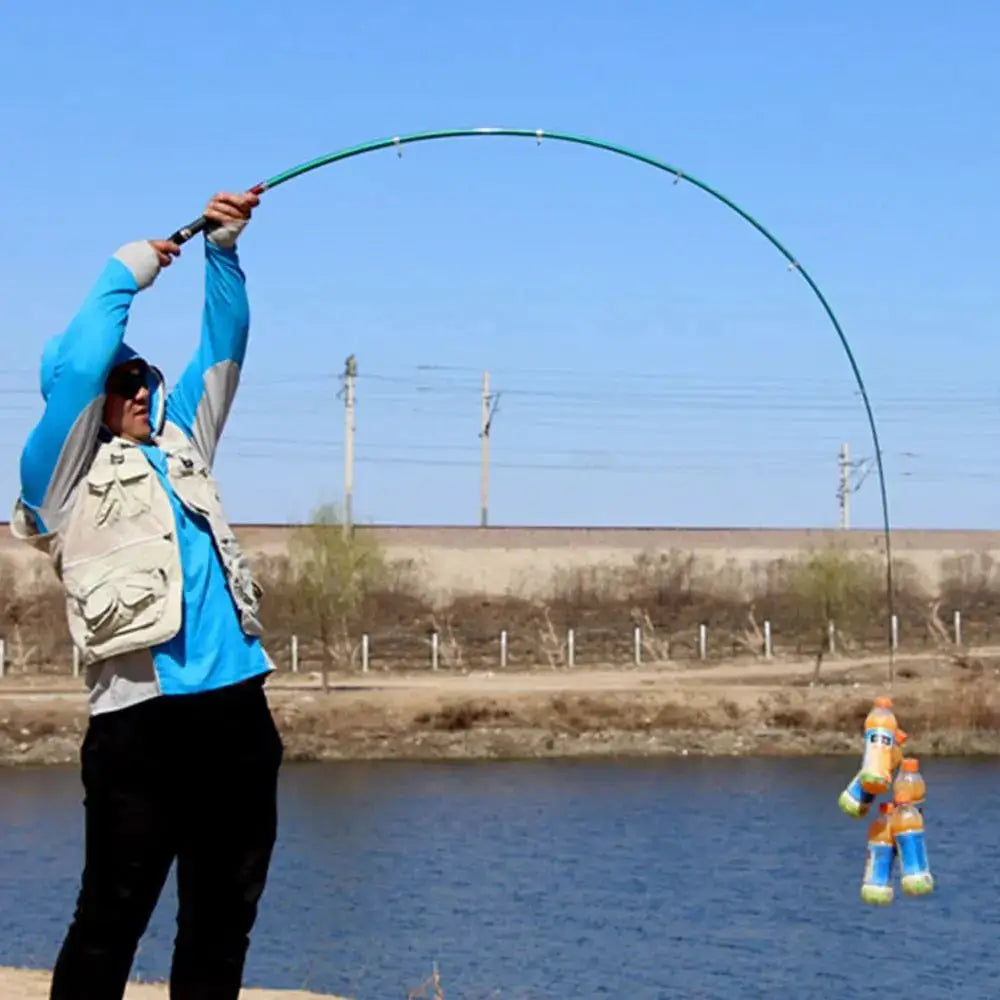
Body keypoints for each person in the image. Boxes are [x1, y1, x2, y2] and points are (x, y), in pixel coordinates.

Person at [10, 191, 284, 1000]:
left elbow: (225, 347)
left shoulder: (182, 440)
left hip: (239, 711)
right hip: (141, 726)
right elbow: (90, 352)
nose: (135, 388)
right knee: (112, 918)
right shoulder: (55, 475)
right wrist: (128, 268)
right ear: (86, 391)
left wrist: (224, 253)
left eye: (141, 376)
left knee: (223, 916)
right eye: (118, 378)